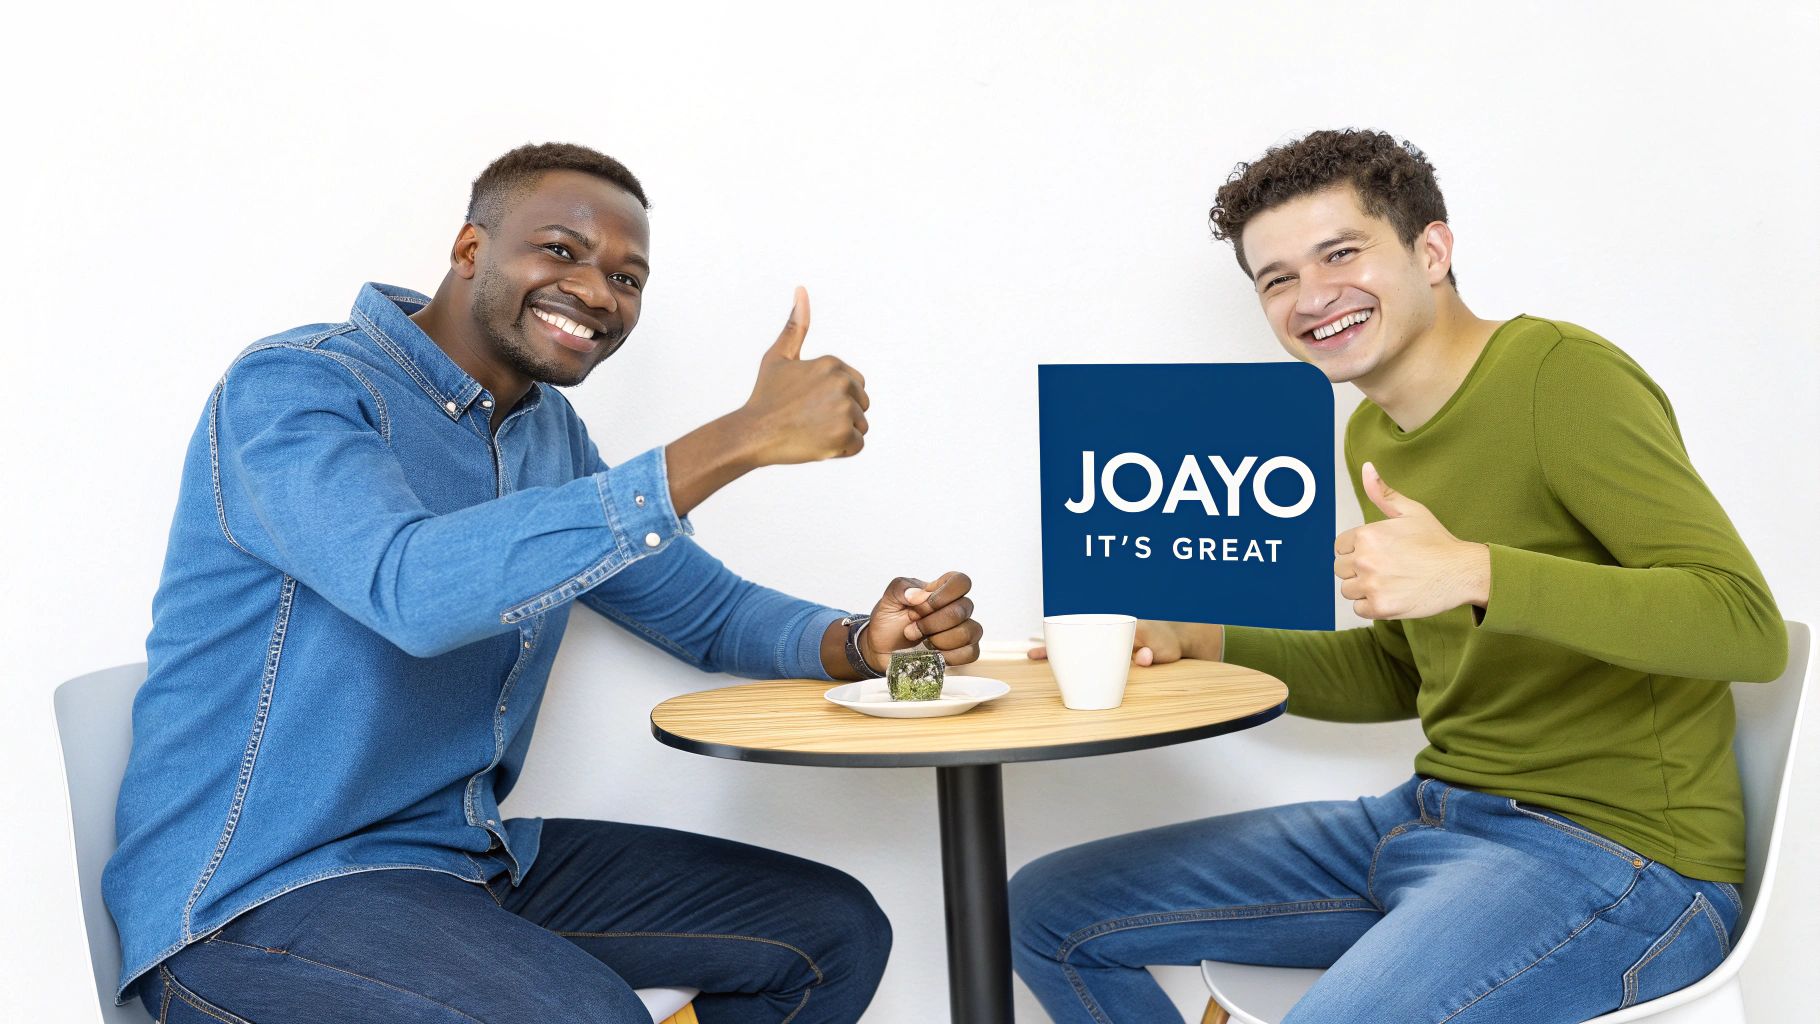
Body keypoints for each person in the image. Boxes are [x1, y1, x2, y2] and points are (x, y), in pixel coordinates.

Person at [104, 142, 983, 1024]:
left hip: (462, 860)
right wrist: (735, 439)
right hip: (253, 899)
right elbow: (410, 588)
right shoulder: (297, 387)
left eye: (628, 277)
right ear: (470, 250)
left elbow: (702, 607)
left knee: (828, 934)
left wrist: (864, 643)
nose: (601, 293)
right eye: (562, 250)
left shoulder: (544, 433)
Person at [1009, 129, 1786, 1023]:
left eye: (1341, 253)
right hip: (1431, 819)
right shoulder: (1371, 435)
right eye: (1277, 279)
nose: (1313, 297)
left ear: (1433, 250)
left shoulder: (1561, 378)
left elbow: (1744, 627)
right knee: (1050, 910)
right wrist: (1195, 637)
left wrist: (1477, 570)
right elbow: (1402, 671)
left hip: (1616, 860)